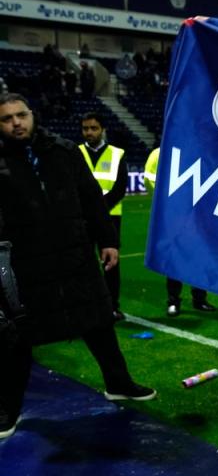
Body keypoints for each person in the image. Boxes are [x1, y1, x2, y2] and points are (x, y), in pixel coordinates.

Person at [0, 93, 155, 439]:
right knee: (18, 336)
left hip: (75, 254)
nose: (16, 123)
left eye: (21, 115)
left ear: (32, 115)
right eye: (7, 119)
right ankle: (8, 409)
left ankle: (118, 382)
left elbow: (91, 199)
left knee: (98, 320)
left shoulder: (63, 151)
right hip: (26, 261)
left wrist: (108, 240)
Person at [142, 146, 217, 316]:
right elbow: (149, 179)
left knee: (198, 256)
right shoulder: (158, 153)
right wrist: (171, 201)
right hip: (173, 214)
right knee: (174, 257)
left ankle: (199, 299)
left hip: (197, 213)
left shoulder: (196, 149)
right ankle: (174, 301)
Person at [78, 111, 127, 320]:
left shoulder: (118, 154)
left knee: (111, 265)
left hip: (109, 218)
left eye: (93, 128)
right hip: (81, 219)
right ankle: (86, 307)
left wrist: (97, 209)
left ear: (102, 129)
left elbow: (120, 188)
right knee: (81, 263)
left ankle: (112, 306)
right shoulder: (74, 152)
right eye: (85, 128)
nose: (89, 132)